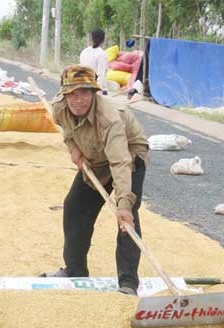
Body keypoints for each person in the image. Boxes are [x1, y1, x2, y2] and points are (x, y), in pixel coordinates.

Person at [40, 65, 149, 296]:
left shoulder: (109, 119)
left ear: (94, 93)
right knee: (74, 206)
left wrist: (124, 205)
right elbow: (67, 131)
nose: (79, 100)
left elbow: (120, 162)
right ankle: (75, 271)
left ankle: (128, 283)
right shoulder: (58, 109)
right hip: (95, 157)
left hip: (129, 154)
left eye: (85, 93)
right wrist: (73, 149)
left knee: (126, 220)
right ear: (64, 95)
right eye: (73, 94)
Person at [80, 28, 108, 95]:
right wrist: (98, 93)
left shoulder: (84, 52)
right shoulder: (102, 54)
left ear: (91, 38)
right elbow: (101, 75)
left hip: (83, 85)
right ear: (103, 40)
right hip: (95, 88)